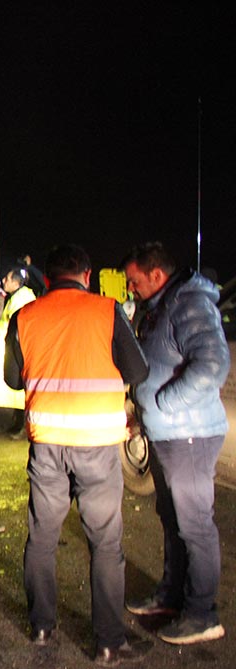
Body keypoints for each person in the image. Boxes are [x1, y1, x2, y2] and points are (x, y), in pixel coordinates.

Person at [4, 244, 148, 665]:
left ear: (47, 278)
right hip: (96, 446)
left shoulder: (24, 316)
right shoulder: (107, 310)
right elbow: (138, 371)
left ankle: (42, 626)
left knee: (42, 537)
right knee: (105, 543)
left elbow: (14, 380)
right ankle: (107, 641)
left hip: (47, 443)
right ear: (87, 275)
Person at [122, 242, 229, 645]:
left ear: (156, 275)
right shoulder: (162, 306)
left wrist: (164, 403)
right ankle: (171, 596)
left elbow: (213, 363)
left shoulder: (189, 304)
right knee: (173, 519)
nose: (130, 288)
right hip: (170, 432)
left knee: (195, 525)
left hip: (190, 435)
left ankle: (202, 614)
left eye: (134, 280)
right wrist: (143, 412)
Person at [0, 268, 35, 437]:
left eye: (7, 279)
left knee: (20, 386)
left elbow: (15, 325)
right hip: (13, 346)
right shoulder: (18, 297)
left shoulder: (21, 299)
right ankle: (18, 422)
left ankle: (22, 424)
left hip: (19, 348)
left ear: (16, 283)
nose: (4, 280)